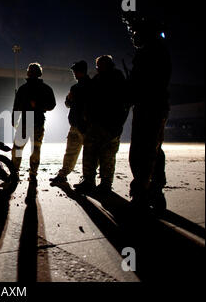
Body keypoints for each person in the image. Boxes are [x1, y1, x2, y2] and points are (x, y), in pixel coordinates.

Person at [124, 14, 171, 210]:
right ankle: (154, 191)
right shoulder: (157, 51)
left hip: (148, 106)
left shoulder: (150, 53)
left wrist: (129, 93)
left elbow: (142, 83)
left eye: (136, 33)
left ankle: (143, 193)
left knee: (142, 152)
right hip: (154, 106)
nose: (134, 37)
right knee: (153, 150)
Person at [74, 55, 129, 194]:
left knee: (107, 156)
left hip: (110, 125)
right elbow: (89, 100)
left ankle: (105, 184)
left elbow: (125, 104)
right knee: (89, 154)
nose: (98, 68)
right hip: (94, 125)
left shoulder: (117, 79)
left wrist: (118, 125)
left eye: (100, 65)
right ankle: (88, 181)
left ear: (108, 65)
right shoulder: (97, 80)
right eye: (98, 65)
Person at [11, 62, 56, 185]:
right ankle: (30, 174)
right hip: (34, 121)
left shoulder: (24, 88)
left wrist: (14, 119)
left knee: (21, 149)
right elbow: (52, 105)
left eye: (31, 71)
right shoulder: (45, 88)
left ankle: (17, 172)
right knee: (33, 149)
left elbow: (17, 106)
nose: (30, 73)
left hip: (30, 120)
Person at [50, 60, 91, 186]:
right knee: (70, 152)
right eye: (74, 71)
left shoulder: (91, 86)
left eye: (75, 71)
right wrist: (68, 99)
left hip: (86, 126)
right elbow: (68, 104)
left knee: (89, 155)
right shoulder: (75, 87)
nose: (74, 73)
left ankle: (88, 179)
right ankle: (63, 175)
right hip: (74, 125)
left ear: (82, 71)